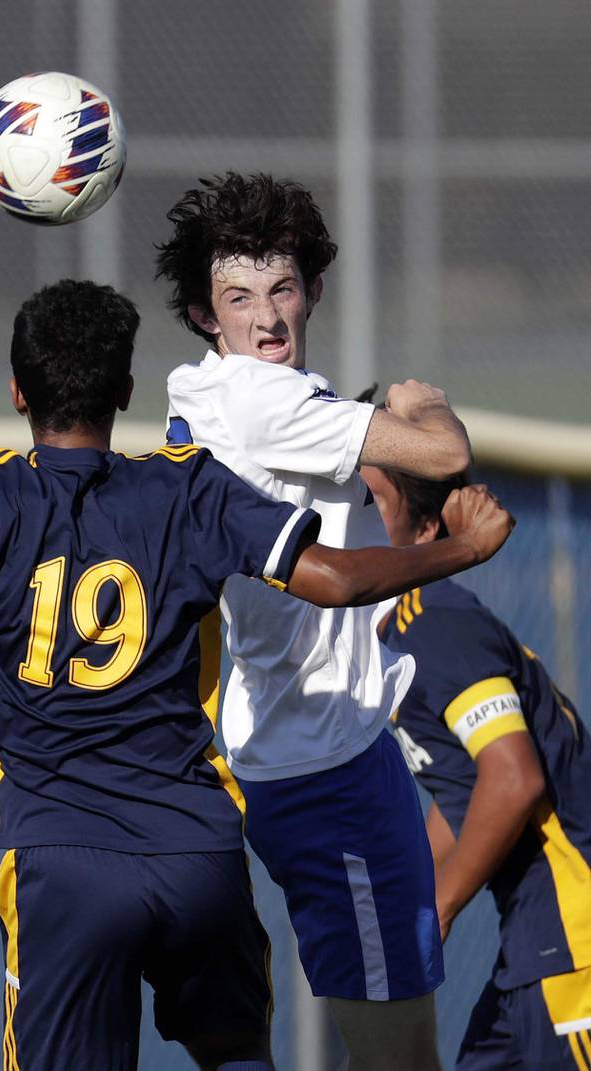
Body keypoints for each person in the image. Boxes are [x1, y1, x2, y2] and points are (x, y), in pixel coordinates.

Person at [0, 280, 511, 1071]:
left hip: (65, 859)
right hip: (197, 855)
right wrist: (460, 548)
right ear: (125, 390)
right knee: (237, 1054)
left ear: (17, 390)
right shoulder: (185, 484)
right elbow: (333, 577)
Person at [156, 171, 474, 1070]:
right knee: (400, 1060)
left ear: (314, 290)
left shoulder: (208, 389)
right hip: (327, 769)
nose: (267, 317)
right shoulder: (266, 402)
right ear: (203, 314)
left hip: (293, 750)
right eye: (238, 296)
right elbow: (443, 452)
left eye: (282, 287)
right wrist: (419, 400)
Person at [361, 463, 591, 1071]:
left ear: (426, 528)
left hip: (577, 942)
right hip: (534, 949)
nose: (347, 514)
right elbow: (468, 794)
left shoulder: (432, 619)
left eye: (366, 498)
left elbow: (513, 781)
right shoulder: (397, 638)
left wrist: (436, 911)